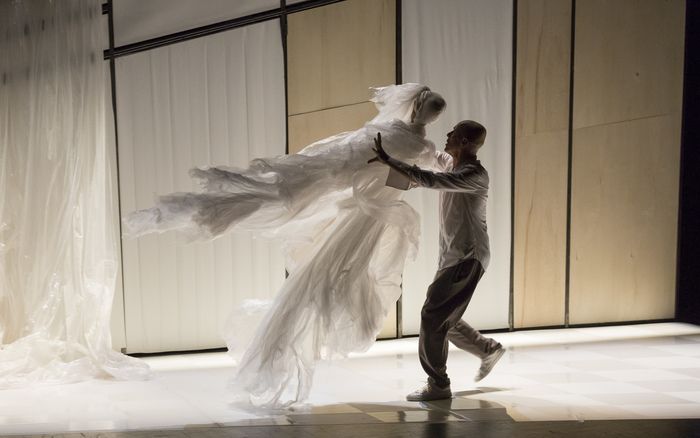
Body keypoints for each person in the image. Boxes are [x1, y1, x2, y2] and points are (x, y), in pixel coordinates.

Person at [124, 83, 448, 406]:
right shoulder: (415, 144)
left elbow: (349, 166)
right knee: (324, 284)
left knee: (318, 284)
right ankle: (271, 360)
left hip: (362, 215)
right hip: (365, 219)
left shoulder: (388, 132)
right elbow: (417, 174)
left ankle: (269, 357)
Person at [370, 120, 505, 402]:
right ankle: (487, 349)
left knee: (432, 316)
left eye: (453, 132)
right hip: (456, 256)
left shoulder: (473, 174)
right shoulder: (452, 164)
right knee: (446, 316)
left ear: (465, 142)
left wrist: (388, 159)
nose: (447, 134)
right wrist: (409, 129)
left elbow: (430, 179)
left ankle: (439, 384)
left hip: (467, 256)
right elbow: (430, 156)